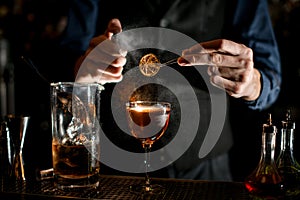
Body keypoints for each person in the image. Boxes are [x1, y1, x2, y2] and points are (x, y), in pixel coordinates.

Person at [59, 0, 281, 181]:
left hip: (203, 162)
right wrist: (84, 67)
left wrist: (251, 83)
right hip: (117, 160)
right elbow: (67, 59)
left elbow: (271, 77)